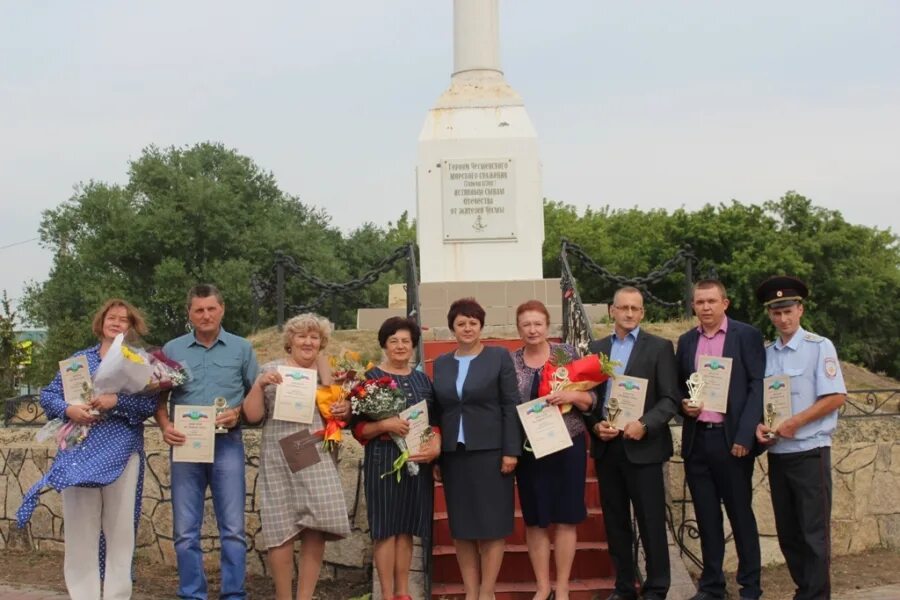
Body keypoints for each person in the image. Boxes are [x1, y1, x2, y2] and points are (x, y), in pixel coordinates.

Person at [17, 298, 159, 600]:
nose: (117, 322)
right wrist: (70, 410)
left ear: (131, 327)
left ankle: (117, 595)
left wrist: (115, 402)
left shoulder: (140, 362)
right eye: (112, 317)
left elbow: (149, 404)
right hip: (79, 451)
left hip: (122, 452)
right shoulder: (78, 361)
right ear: (101, 322)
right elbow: (48, 396)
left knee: (120, 531)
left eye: (124, 319)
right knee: (81, 531)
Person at [155, 284, 259, 600]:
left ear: (222, 309)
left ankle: (233, 594)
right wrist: (165, 425)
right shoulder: (171, 350)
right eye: (199, 310)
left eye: (211, 308)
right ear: (190, 314)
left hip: (227, 443)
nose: (206, 315)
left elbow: (257, 397)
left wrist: (237, 413)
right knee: (185, 531)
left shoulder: (242, 349)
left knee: (233, 530)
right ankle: (191, 593)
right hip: (186, 445)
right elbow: (158, 399)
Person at [242, 313, 352, 600]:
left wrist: (343, 407)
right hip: (279, 452)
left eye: (314, 337)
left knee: (317, 524)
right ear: (289, 341)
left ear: (322, 343)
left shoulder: (329, 373)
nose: (308, 341)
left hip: (312, 449)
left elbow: (338, 414)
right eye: (301, 335)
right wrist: (259, 385)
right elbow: (252, 415)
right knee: (281, 525)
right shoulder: (271, 369)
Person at [754, 276, 846, 600]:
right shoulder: (767, 354)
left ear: (800, 310)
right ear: (770, 315)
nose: (783, 318)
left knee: (814, 534)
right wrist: (760, 427)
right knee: (789, 534)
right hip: (779, 454)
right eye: (776, 313)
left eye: (788, 311)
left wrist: (796, 421)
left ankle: (816, 596)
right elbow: (763, 401)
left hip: (810, 452)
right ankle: (804, 591)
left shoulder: (819, 348)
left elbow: (835, 397)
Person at [585, 287, 679, 600]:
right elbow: (590, 399)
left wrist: (645, 424)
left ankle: (656, 588)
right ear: (611, 310)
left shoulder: (659, 347)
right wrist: (596, 425)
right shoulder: (596, 348)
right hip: (609, 448)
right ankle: (624, 586)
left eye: (635, 309)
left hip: (644, 449)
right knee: (616, 523)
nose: (629, 313)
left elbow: (669, 399)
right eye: (623, 308)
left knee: (651, 522)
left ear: (642, 313)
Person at [675, 279, 765, 600]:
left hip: (733, 443)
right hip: (698, 440)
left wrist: (745, 436)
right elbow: (680, 389)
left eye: (712, 301)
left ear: (724, 303)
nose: (706, 308)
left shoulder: (746, 336)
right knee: (707, 517)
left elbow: (758, 386)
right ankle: (712, 587)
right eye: (700, 302)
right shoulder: (686, 342)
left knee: (741, 515)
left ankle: (750, 588)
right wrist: (684, 405)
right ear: (693, 306)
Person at [431, 297, 521, 600]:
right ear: (452, 328)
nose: (467, 328)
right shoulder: (442, 363)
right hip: (454, 455)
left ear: (481, 325)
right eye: (461, 323)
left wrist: (511, 450)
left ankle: (486, 592)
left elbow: (511, 405)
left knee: (492, 526)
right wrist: (436, 454)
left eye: (473, 322)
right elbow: (437, 410)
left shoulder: (498, 357)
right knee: (462, 527)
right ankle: (470, 592)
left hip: (491, 453)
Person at [351, 317, 442, 600]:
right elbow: (357, 428)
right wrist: (384, 426)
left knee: (406, 529)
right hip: (383, 459)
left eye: (405, 341)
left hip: (417, 459)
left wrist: (436, 446)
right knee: (385, 529)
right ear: (384, 345)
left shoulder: (422, 380)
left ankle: (403, 593)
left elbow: (435, 420)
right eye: (394, 341)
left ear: (413, 345)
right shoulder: (370, 380)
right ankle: (386, 594)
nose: (400, 346)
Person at [511, 300, 594, 600]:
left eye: (537, 323)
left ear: (547, 326)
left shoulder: (566, 354)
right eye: (526, 324)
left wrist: (572, 394)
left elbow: (590, 400)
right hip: (530, 450)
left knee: (566, 516)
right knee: (535, 519)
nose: (532, 330)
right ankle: (542, 586)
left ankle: (562, 587)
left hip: (567, 445)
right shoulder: (511, 362)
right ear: (518, 328)